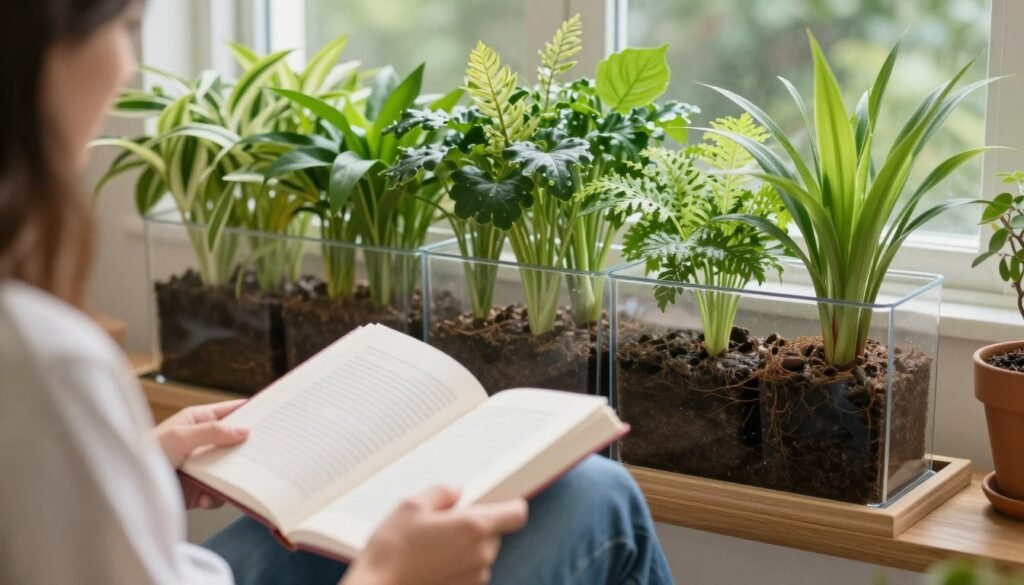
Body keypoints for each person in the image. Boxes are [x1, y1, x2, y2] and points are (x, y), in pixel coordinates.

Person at [0, 1, 675, 584]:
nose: (125, 71)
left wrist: (132, 469)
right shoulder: (42, 355)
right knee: (602, 496)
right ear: (41, 50)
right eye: (126, 25)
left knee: (582, 487)